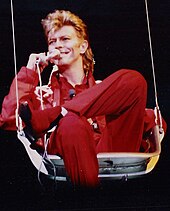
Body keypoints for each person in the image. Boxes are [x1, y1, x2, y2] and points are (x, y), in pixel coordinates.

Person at [0, 10, 166, 187]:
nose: (57, 45)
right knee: (71, 123)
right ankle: (89, 197)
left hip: (112, 148)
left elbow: (151, 122)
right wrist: (30, 71)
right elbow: (9, 118)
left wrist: (149, 120)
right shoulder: (42, 95)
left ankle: (57, 114)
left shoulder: (106, 90)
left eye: (65, 39)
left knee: (134, 80)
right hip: (71, 153)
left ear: (83, 46)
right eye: (52, 41)